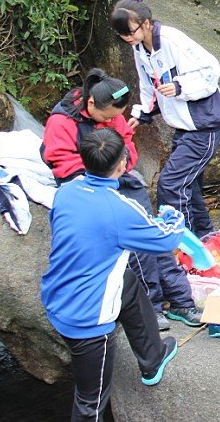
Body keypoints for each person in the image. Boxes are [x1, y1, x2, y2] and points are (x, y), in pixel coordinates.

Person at [41, 69, 202, 331]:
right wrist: (105, 169)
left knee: (155, 232)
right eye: (108, 117)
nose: (113, 121)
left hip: (120, 175)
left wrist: (125, 162)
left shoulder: (111, 111)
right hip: (89, 184)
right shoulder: (62, 122)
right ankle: (151, 307)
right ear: (91, 103)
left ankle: (180, 300)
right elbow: (59, 161)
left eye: (116, 116)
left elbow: (126, 140)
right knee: (136, 247)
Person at [40, 129, 183, 421]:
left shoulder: (66, 191)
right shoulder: (120, 208)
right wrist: (174, 217)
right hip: (88, 320)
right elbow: (167, 239)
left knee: (127, 281)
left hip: (56, 296)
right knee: (90, 402)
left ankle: (153, 357)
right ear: (122, 164)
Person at [111, 0, 220, 238]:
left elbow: (210, 70)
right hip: (183, 126)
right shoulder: (139, 48)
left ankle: (181, 242)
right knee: (189, 186)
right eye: (122, 35)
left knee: (171, 184)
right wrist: (142, 113)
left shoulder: (172, 40)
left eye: (130, 32)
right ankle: (205, 238)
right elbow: (148, 85)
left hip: (203, 124)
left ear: (145, 23)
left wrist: (179, 86)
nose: (127, 38)